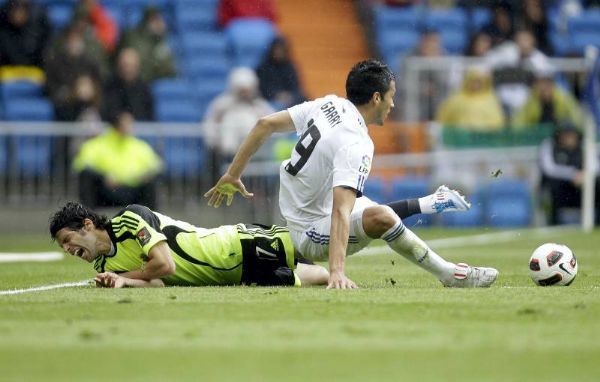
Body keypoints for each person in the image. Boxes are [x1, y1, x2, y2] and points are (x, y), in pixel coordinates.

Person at [205, 59, 498, 289]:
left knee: (375, 211)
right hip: (309, 230)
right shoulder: (356, 143)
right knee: (379, 217)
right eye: (391, 97)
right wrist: (337, 272)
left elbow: (264, 124)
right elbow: (341, 212)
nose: (393, 104)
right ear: (375, 98)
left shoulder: (329, 104)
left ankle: (432, 202)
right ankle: (448, 274)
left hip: (302, 205)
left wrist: (233, 173)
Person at [49, 202, 330, 288]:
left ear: (86, 225)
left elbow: (165, 266)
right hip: (236, 277)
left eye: (67, 240)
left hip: (237, 245)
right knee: (319, 277)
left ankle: (362, 218)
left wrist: (123, 278)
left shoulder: (130, 220)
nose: (67, 250)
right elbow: (157, 282)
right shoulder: (103, 264)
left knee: (319, 244)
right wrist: (123, 283)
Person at [73, 111, 162, 209]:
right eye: (126, 123)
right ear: (115, 125)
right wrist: (103, 177)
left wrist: (146, 175)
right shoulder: (96, 145)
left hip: (132, 190)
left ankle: (152, 220)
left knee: (150, 183)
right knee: (86, 177)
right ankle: (87, 217)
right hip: (105, 191)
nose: (130, 127)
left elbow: (157, 166)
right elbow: (80, 165)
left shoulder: (140, 146)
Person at [202, 67, 274, 184]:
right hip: (226, 154)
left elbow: (272, 126)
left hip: (253, 155)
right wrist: (215, 143)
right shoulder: (221, 105)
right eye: (241, 90)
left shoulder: (260, 107)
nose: (244, 94)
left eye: (246, 90)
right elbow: (209, 125)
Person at [539, 123, 600, 225]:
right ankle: (554, 223)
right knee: (553, 187)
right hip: (561, 186)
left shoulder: (585, 144)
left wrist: (585, 175)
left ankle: (596, 222)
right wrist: (572, 174)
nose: (569, 138)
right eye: (566, 135)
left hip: (582, 185)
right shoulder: (549, 145)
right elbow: (549, 168)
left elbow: (596, 166)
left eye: (571, 135)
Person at [436, 66, 505, 131]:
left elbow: (498, 122)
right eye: (473, 81)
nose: (476, 85)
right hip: (459, 139)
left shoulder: (491, 100)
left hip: (484, 139)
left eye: (479, 82)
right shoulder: (455, 99)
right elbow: (443, 119)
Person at [118, 6, 177, 83]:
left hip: (152, 83)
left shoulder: (162, 42)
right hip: (137, 83)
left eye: (159, 19)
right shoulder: (133, 37)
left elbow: (171, 70)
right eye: (155, 20)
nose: (160, 23)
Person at [512, 70, 583, 129]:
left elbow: (577, 120)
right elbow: (518, 124)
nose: (544, 87)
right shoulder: (530, 100)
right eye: (540, 83)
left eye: (547, 83)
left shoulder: (564, 99)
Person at [103, 48, 155, 121]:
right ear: (119, 66)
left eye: (132, 66)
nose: (128, 70)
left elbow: (149, 115)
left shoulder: (144, 89)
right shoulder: (110, 86)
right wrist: (119, 119)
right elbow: (107, 111)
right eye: (125, 65)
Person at [256, 37, 305, 110]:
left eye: (281, 50)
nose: (278, 53)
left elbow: (296, 87)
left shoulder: (289, 67)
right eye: (276, 50)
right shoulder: (263, 67)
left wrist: (289, 96)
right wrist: (276, 95)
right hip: (269, 100)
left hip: (288, 100)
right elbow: (262, 88)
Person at [0, 0, 50, 67]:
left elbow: (42, 51)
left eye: (22, 11)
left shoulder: (37, 26)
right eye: (16, 10)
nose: (19, 15)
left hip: (33, 69)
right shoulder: (3, 27)